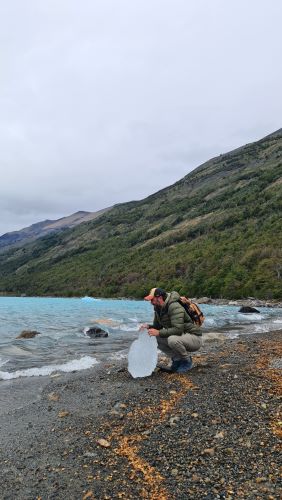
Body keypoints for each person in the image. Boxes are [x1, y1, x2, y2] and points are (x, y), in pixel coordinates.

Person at [140, 287, 202, 373]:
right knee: (151, 336)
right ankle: (177, 360)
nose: (151, 303)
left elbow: (178, 330)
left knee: (172, 340)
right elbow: (157, 327)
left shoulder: (174, 306)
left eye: (152, 300)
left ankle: (186, 361)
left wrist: (158, 332)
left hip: (194, 338)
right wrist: (148, 327)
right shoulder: (158, 308)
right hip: (181, 336)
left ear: (160, 298)